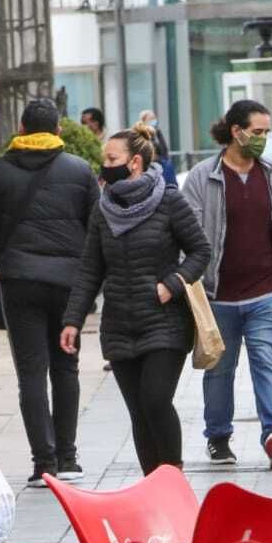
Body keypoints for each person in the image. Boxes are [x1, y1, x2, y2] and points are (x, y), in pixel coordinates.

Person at [62, 124, 211, 473]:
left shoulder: (169, 200)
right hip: (119, 324)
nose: (105, 166)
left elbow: (200, 251)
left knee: (156, 400)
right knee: (139, 412)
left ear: (135, 163)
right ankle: (153, 487)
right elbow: (90, 270)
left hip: (165, 321)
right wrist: (72, 319)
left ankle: (172, 475)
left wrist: (172, 283)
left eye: (112, 159)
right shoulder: (103, 209)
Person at [0, 99, 99, 486]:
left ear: (21, 128)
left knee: (31, 373)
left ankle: (44, 465)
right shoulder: (79, 170)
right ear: (58, 131)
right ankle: (68, 458)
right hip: (69, 285)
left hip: (20, 282)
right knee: (66, 368)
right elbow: (96, 231)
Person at [181, 99, 272, 469]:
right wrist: (189, 284)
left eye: (267, 132)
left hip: (267, 291)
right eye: (257, 132)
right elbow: (186, 233)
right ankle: (218, 436)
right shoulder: (202, 178)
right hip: (216, 294)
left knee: (267, 361)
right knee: (218, 368)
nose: (263, 139)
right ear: (236, 132)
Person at [137, 109, 177, 185]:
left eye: (154, 118)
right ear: (144, 121)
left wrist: (158, 133)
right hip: (151, 168)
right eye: (151, 119)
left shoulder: (157, 132)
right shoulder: (141, 135)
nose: (154, 120)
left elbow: (164, 150)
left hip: (162, 165)